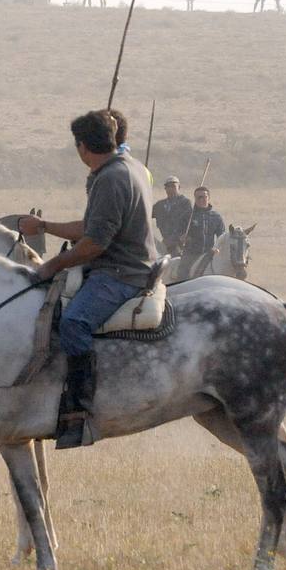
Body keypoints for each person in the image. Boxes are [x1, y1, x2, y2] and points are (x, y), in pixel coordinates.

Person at [17, 110, 155, 449]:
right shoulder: (128, 167)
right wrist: (45, 226)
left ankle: (80, 407)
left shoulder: (110, 178)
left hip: (121, 271)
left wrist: (51, 265)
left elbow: (94, 243)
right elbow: (90, 227)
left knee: (75, 322)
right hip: (123, 264)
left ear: (83, 147)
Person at [180, 186, 226, 274]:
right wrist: (182, 238)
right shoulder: (188, 215)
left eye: (204, 197)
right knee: (182, 274)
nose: (201, 200)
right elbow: (179, 232)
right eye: (198, 197)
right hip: (191, 254)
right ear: (195, 199)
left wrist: (217, 248)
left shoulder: (216, 217)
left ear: (208, 198)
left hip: (209, 254)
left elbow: (222, 236)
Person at [151, 176, 192, 254]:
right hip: (165, 243)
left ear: (179, 187)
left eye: (173, 186)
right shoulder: (160, 205)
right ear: (165, 189)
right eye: (168, 186)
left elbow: (190, 223)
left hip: (180, 243)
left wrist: (178, 239)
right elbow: (145, 213)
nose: (170, 189)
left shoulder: (185, 203)